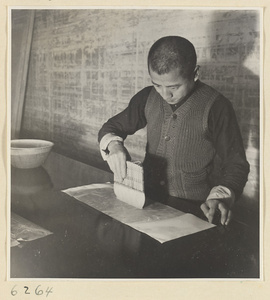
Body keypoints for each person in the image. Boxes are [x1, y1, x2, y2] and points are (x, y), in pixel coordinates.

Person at [98, 36, 250, 226]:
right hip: (148, 200)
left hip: (196, 210)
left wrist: (219, 197)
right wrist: (114, 145)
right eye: (157, 84)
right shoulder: (147, 97)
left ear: (195, 74)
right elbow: (112, 127)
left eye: (174, 87)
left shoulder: (217, 106)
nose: (164, 94)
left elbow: (236, 164)